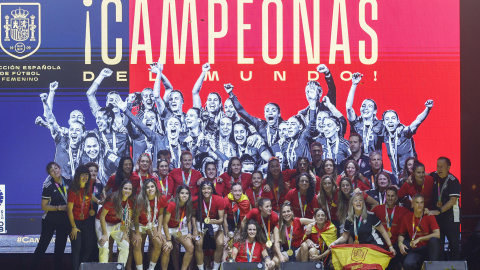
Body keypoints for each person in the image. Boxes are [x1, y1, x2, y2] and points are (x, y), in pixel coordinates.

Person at [31, 162, 72, 270]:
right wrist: (59, 207)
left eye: (56, 168)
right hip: (50, 219)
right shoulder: (48, 185)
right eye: (52, 170)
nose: (55, 171)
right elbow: (44, 206)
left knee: (60, 248)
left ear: (60, 168)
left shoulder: (68, 180)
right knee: (42, 246)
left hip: (65, 220)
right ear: (50, 174)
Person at [330, 193, 395, 255]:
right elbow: (345, 236)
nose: (358, 202)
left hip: (375, 246)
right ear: (352, 204)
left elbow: (383, 231)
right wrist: (334, 242)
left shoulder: (370, 216)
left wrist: (390, 247)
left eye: (360, 200)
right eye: (355, 201)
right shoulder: (349, 219)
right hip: (361, 249)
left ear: (363, 204)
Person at [382, 100, 434, 176]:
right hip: (397, 178)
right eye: (387, 119)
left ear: (398, 121)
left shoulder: (404, 132)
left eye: (393, 118)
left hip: (411, 175)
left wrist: (428, 108)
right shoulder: (386, 136)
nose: (390, 121)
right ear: (383, 123)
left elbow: (418, 121)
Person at [225, 83, 284, 148]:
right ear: (264, 114)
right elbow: (242, 111)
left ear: (279, 114)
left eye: (273, 110)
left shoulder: (284, 127)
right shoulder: (261, 125)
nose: (270, 113)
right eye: (267, 111)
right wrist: (231, 94)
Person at [67, 165, 101, 270]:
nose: (85, 177)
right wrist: (73, 227)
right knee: (76, 249)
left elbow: (90, 195)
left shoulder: (89, 184)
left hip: (86, 220)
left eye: (86, 174)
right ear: (78, 176)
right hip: (75, 222)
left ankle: (82, 267)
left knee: (89, 247)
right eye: (83, 175)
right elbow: (69, 210)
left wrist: (99, 201)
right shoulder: (73, 190)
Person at [428, 157, 461, 260]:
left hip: (452, 218)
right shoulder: (433, 176)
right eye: (438, 166)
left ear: (449, 167)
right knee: (439, 246)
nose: (439, 169)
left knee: (454, 246)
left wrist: (439, 210)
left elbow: (452, 201)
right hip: (438, 219)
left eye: (442, 166)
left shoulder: (454, 181)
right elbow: (423, 175)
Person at [132, 179, 168, 270]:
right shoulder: (139, 199)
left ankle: (151, 268)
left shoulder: (162, 198)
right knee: (137, 244)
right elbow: (135, 217)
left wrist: (159, 231)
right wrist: (137, 233)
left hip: (151, 224)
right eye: (147, 187)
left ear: (156, 187)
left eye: (152, 186)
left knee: (159, 243)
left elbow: (160, 214)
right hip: (138, 224)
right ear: (144, 189)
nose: (150, 189)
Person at [398, 194, 440, 270]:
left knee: (434, 240)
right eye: (417, 202)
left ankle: (434, 266)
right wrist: (400, 244)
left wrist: (420, 239)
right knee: (408, 264)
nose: (420, 205)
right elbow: (401, 234)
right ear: (412, 204)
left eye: (422, 202)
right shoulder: (407, 217)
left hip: (429, 249)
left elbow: (437, 234)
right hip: (416, 249)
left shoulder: (429, 215)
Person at [371, 186, 410, 269]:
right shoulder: (377, 209)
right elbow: (366, 217)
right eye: (388, 196)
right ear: (385, 196)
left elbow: (415, 215)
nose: (390, 198)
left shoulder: (402, 210)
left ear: (396, 197)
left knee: (406, 246)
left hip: (396, 244)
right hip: (381, 244)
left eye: (392, 196)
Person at [95, 180, 133, 264]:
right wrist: (105, 234)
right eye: (125, 188)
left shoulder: (130, 200)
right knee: (104, 246)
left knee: (125, 245)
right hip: (103, 222)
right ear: (121, 189)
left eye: (130, 189)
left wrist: (126, 232)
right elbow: (102, 216)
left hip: (117, 223)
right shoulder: (112, 198)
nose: (128, 191)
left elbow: (128, 217)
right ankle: (103, 268)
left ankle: (120, 267)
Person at [345, 72, 383, 155]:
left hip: (374, 163)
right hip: (357, 163)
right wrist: (354, 84)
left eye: (369, 106)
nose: (365, 108)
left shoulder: (380, 125)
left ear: (374, 111)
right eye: (363, 106)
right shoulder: (356, 123)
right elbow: (348, 107)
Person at [192, 181, 225, 270]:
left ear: (212, 190)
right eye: (204, 189)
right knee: (198, 244)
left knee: (220, 243)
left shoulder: (219, 199)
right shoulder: (196, 200)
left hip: (215, 224)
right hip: (201, 224)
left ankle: (215, 268)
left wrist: (215, 222)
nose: (206, 191)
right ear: (201, 190)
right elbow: (193, 216)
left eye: (208, 188)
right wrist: (195, 229)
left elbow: (221, 220)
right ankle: (201, 268)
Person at [162, 185, 194, 270]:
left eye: (187, 193)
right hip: (166, 228)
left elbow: (189, 219)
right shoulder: (172, 204)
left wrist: (190, 232)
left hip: (178, 228)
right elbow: (165, 223)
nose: (184, 195)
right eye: (182, 193)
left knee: (190, 248)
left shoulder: (188, 204)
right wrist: (168, 240)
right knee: (167, 248)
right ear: (178, 194)